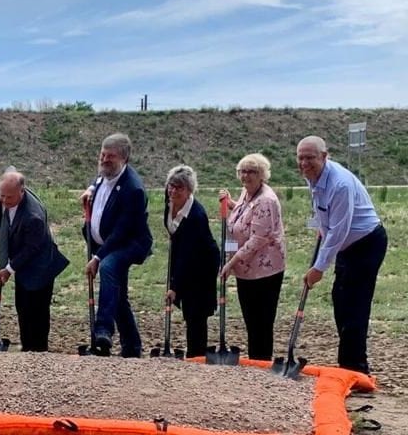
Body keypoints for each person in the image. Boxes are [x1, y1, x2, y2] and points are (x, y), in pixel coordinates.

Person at [297, 136, 387, 374]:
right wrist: (321, 226)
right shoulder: (313, 177)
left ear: (325, 157)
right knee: (340, 299)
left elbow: (340, 230)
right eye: (301, 157)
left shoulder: (340, 184)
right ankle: (348, 362)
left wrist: (318, 268)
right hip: (347, 245)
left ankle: (356, 369)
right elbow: (325, 215)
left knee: (354, 305)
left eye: (310, 158)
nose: (305, 163)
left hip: (366, 243)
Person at [80, 133, 153, 357]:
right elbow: (96, 195)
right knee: (117, 296)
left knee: (109, 267)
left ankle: (103, 329)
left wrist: (98, 257)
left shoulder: (133, 189)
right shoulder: (102, 177)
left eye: (110, 157)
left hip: (131, 243)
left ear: (125, 160)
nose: (104, 160)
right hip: (107, 243)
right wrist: (88, 198)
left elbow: (122, 231)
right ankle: (132, 347)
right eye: (102, 155)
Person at [218, 153, 286, 361]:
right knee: (251, 319)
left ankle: (262, 362)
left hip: (264, 270)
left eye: (252, 172)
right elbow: (245, 214)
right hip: (246, 270)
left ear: (262, 175)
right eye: (243, 171)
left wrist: (230, 263)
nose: (246, 176)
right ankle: (256, 360)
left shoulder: (266, 200)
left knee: (261, 321)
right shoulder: (247, 193)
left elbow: (258, 238)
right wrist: (231, 204)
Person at [0, 172, 70, 351]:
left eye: (9, 197)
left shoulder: (33, 216)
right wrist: (8, 240)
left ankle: (39, 351)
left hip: (41, 267)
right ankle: (27, 347)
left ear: (22, 191)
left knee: (37, 311)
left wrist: (8, 269)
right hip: (24, 262)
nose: (3, 200)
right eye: (1, 195)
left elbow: (31, 249)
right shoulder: (5, 198)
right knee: (22, 307)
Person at [162, 166, 218, 357]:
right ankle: (193, 352)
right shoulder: (169, 201)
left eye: (180, 188)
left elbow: (188, 256)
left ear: (189, 191)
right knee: (188, 309)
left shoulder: (196, 216)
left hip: (202, 265)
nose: (174, 191)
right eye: (172, 186)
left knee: (196, 312)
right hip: (183, 257)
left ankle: (197, 355)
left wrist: (174, 286)